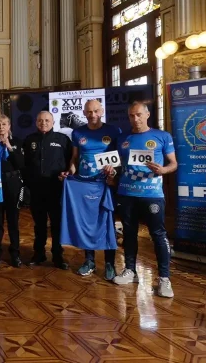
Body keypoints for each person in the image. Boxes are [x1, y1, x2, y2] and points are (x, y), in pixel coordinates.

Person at [112, 102, 178, 298]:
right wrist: (111, 174)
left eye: (139, 115)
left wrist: (163, 170)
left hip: (152, 195)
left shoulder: (162, 136)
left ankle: (164, 279)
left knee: (158, 235)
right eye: (131, 115)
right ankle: (130, 270)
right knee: (129, 233)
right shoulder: (122, 138)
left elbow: (173, 164)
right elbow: (117, 166)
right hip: (126, 193)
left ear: (147, 114)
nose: (135, 119)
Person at [63, 99, 121, 280]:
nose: (93, 115)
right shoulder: (78, 132)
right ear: (84, 112)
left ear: (102, 110)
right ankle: (89, 261)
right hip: (83, 184)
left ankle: (110, 263)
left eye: (96, 111)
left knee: (107, 223)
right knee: (87, 221)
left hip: (105, 185)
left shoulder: (113, 131)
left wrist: (114, 173)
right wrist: (70, 172)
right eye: (89, 112)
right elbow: (74, 158)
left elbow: (119, 159)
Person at [23, 111, 72, 269]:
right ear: (36, 122)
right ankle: (39, 254)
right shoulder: (29, 140)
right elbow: (24, 164)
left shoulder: (63, 139)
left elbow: (71, 161)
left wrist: (67, 173)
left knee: (57, 224)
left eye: (47, 120)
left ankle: (58, 256)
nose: (43, 123)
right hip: (36, 190)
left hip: (56, 189)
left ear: (53, 122)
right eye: (40, 120)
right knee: (39, 224)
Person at [0, 115, 24, 267]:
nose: (1, 127)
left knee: (13, 222)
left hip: (12, 184)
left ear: (9, 126)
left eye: (4, 124)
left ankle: (15, 253)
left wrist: (9, 146)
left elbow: (21, 164)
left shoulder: (17, 142)